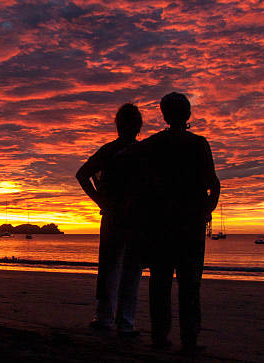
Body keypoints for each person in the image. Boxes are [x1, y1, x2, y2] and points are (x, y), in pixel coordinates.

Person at [139, 92, 220, 352]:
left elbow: (140, 181)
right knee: (189, 283)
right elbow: (213, 185)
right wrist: (206, 211)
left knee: (160, 283)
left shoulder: (152, 145)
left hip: (162, 225)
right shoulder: (198, 144)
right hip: (187, 225)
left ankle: (160, 336)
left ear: (164, 115)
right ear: (187, 115)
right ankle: (189, 338)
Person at [76, 103, 144, 335]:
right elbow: (83, 174)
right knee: (123, 268)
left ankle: (112, 318)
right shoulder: (136, 151)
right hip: (124, 216)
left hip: (125, 216)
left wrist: (100, 200)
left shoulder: (119, 151)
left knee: (117, 267)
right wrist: (100, 201)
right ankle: (120, 320)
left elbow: (83, 174)